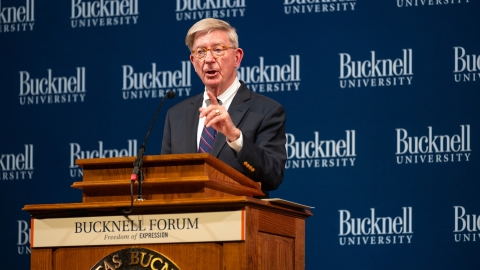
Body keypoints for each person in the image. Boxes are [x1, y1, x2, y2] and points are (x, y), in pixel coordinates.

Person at [161, 18, 286, 197]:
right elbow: (167, 179)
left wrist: (235, 137)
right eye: (200, 52)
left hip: (236, 219)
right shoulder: (176, 115)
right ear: (192, 61)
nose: (209, 59)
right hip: (186, 220)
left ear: (237, 57)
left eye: (218, 50)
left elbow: (273, 176)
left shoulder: (267, 111)